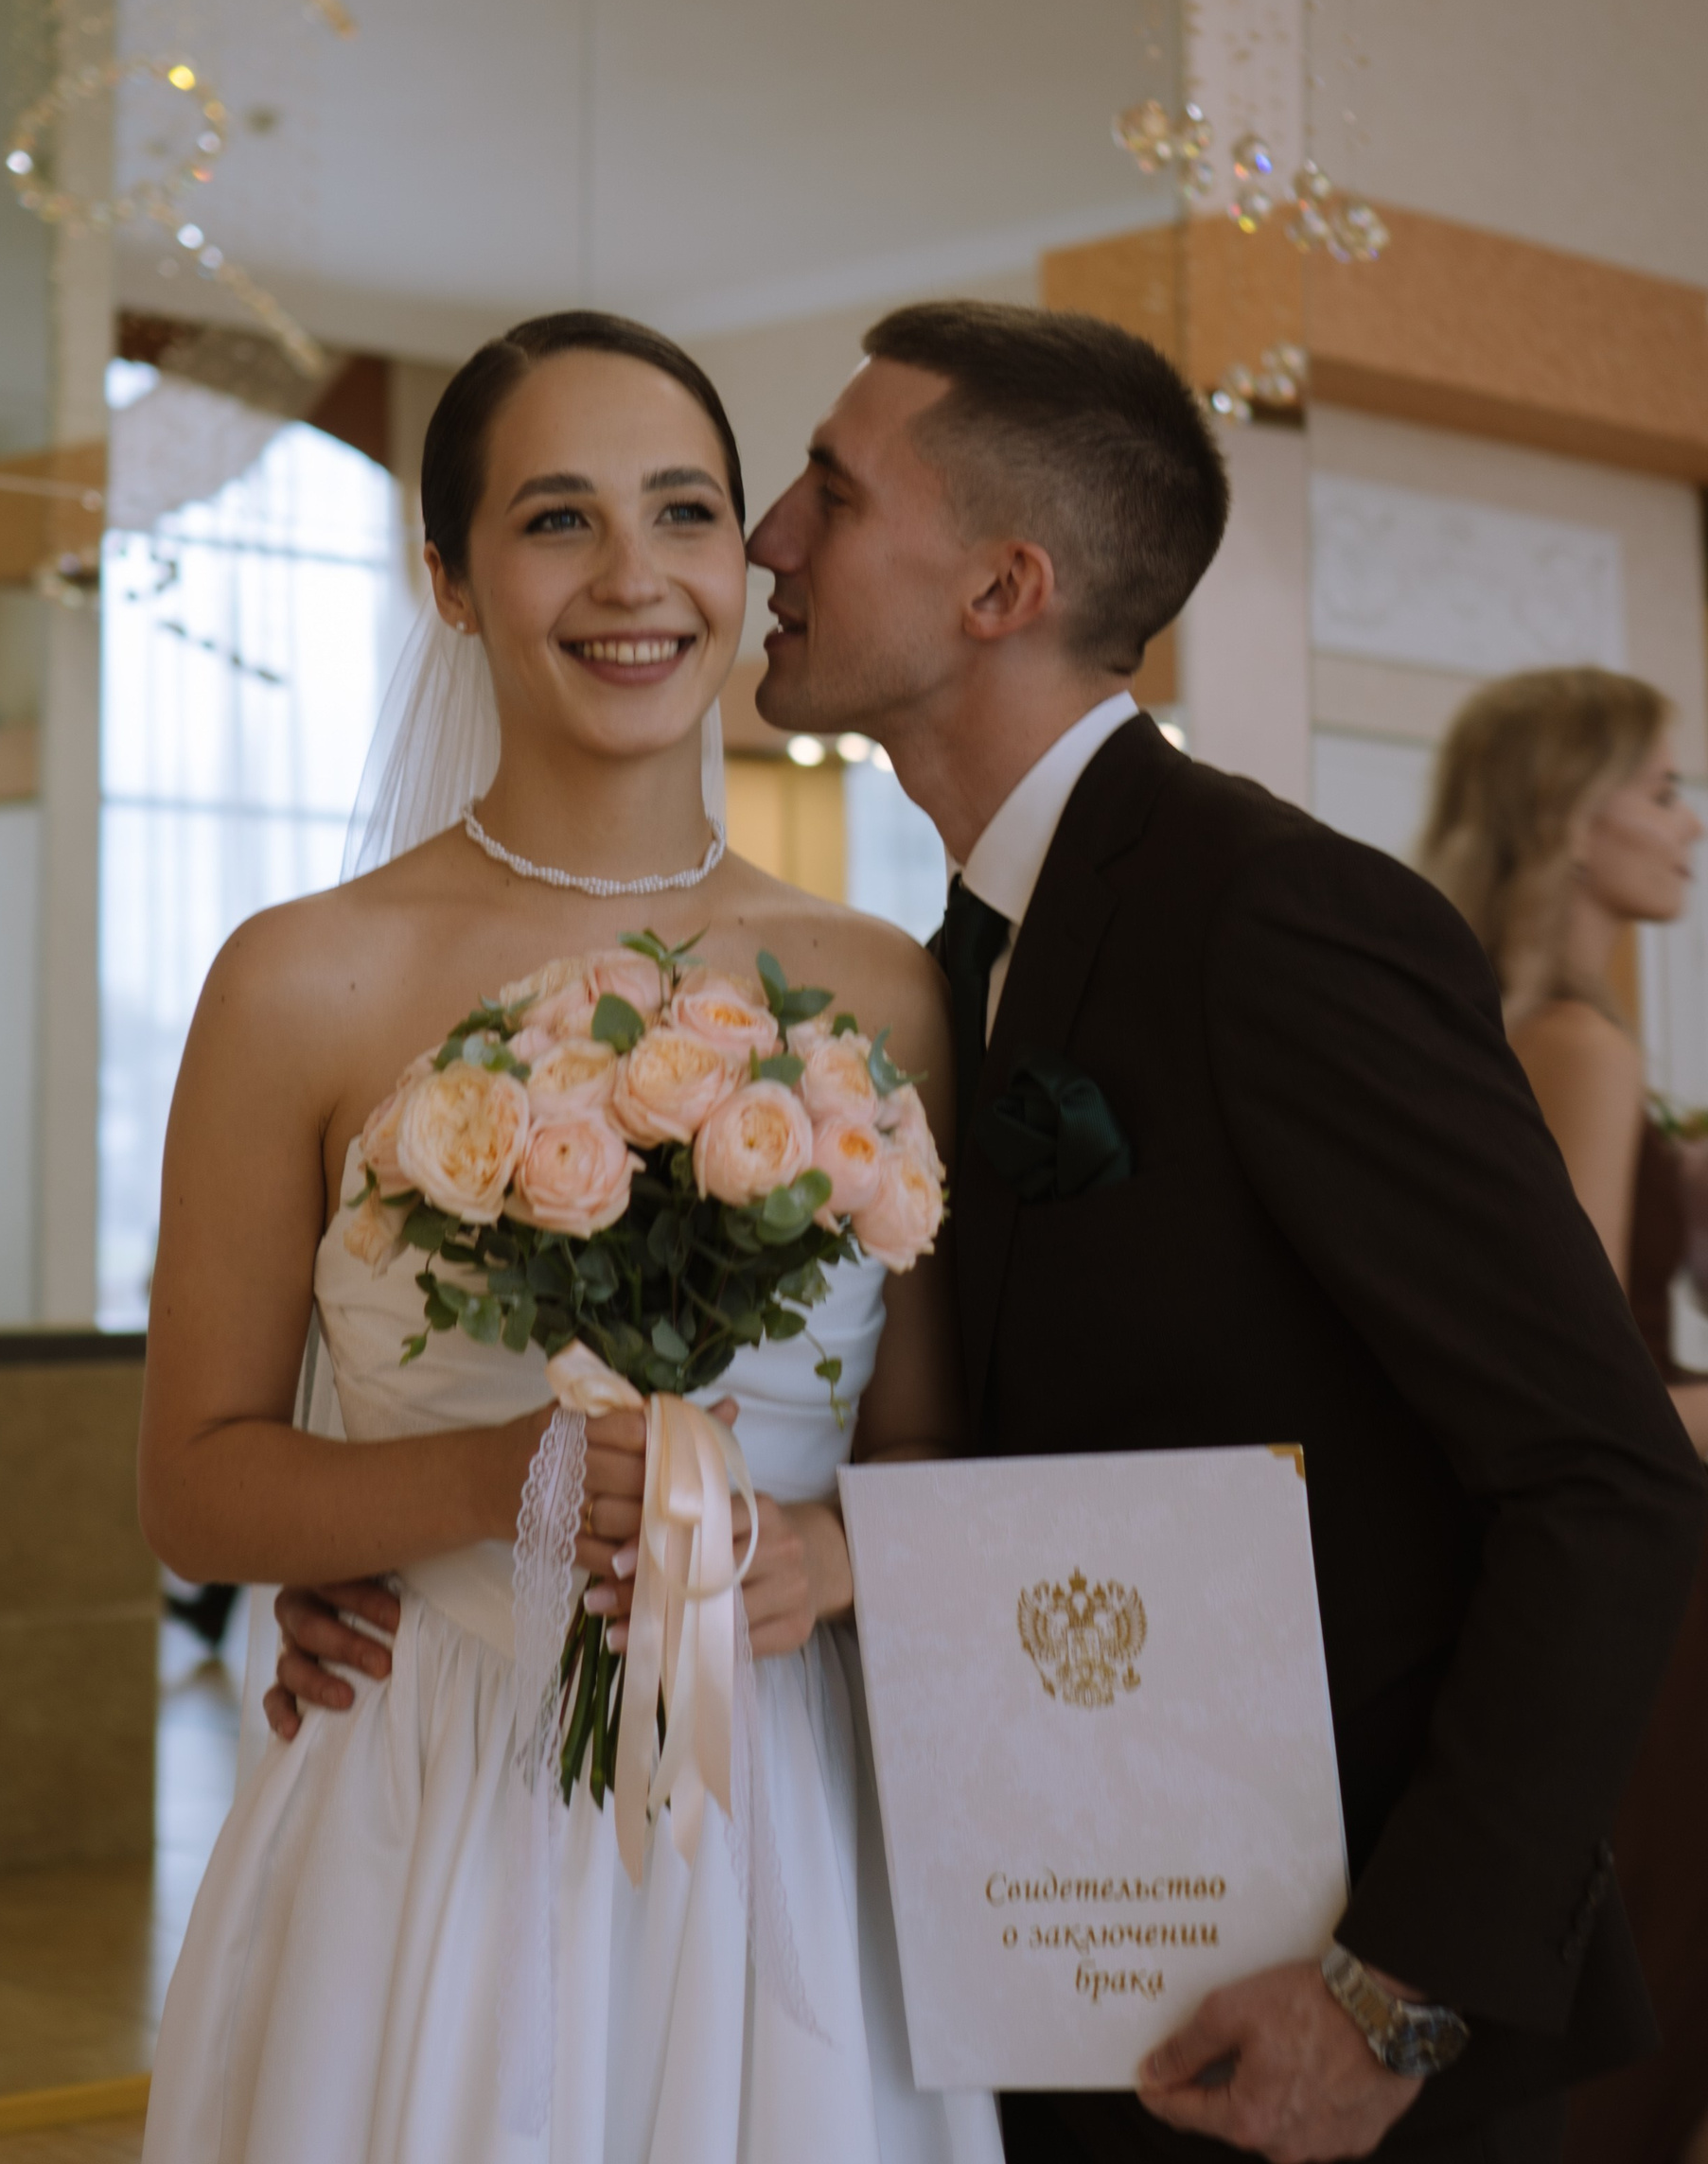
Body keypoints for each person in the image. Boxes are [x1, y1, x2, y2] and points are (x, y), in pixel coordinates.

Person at [273, 300, 1705, 2164]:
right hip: (1041, 1954)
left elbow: (1605, 1478)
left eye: (832, 490)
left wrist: (1397, 1991)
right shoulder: (941, 966)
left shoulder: (1274, 919)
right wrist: (441, 1545)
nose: (767, 538)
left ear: (1000, 589)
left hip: (1325, 2000)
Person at [136, 313, 1001, 2164]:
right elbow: (197, 1485)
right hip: (423, 1793)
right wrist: (509, 1479)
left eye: (683, 512)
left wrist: (830, 1560)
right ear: (447, 580)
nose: (633, 577)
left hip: (781, 1790)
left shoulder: (882, 989)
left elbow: (923, 1445)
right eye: (555, 520)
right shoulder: (299, 980)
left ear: (740, 558)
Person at [1421, 667, 1708, 2164]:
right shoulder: (1581, 1045)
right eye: (1663, 790)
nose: (1690, 824)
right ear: (1569, 813)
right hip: (1657, 1583)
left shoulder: (1501, 1026)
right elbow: (1586, 1403)